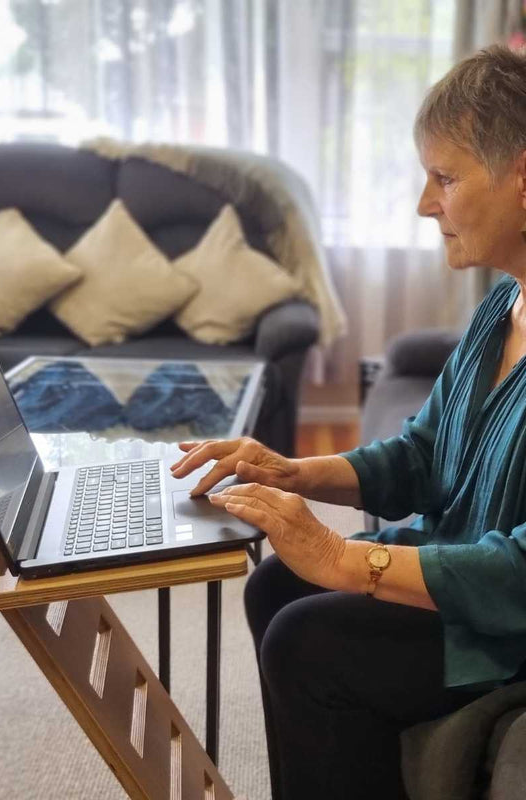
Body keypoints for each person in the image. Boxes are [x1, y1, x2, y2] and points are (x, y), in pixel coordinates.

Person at [170, 44, 526, 799]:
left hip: (507, 621)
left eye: (446, 178)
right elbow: (425, 454)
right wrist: (293, 472)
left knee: (309, 638)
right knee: (275, 589)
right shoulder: (502, 308)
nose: (426, 205)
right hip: (468, 580)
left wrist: (345, 560)